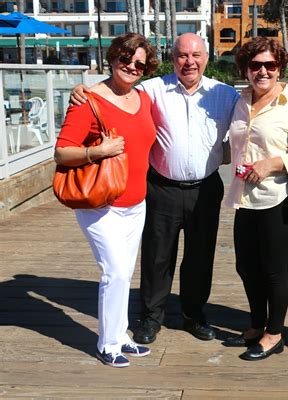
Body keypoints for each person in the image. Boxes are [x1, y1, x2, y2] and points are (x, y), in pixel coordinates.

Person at [71, 33, 239, 344]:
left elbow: (252, 116)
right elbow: (114, 92)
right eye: (182, 55)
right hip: (162, 186)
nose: (189, 62)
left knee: (201, 256)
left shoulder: (226, 95)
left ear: (206, 58)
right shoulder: (150, 90)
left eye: (196, 55)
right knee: (157, 256)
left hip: (206, 188)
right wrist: (82, 90)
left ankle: (194, 314)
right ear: (172, 58)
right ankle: (151, 317)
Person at [55, 33, 159, 368]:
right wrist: (98, 151)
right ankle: (108, 343)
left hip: (136, 203)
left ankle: (121, 334)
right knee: (114, 272)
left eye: (139, 64)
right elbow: (61, 151)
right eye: (126, 59)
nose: (131, 67)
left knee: (124, 272)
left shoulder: (143, 97)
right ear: (113, 57)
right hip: (101, 204)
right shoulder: (88, 99)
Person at [223, 37, 288, 361]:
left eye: (270, 65)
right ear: (246, 69)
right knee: (246, 267)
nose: (263, 71)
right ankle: (256, 324)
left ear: (279, 67)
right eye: (256, 65)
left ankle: (274, 333)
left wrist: (273, 163)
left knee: (273, 270)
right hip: (244, 198)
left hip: (279, 199)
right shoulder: (240, 101)